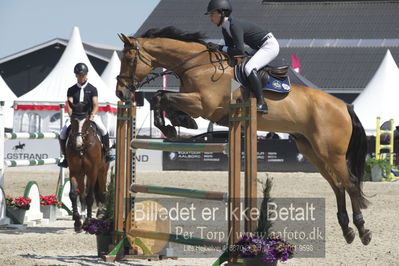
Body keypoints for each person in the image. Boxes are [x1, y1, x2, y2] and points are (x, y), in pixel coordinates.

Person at [205, 0, 280, 113]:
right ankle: (240, 95)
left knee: (249, 68)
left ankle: (261, 103)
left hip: (269, 45)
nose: (210, 17)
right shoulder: (225, 28)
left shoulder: (234, 25)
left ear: (222, 13)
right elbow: (232, 51)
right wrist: (218, 49)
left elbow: (239, 50)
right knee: (237, 67)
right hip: (259, 47)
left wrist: (219, 47)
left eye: (212, 13)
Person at [58, 62, 113, 168]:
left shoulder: (92, 89)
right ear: (76, 75)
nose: (81, 77)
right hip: (75, 118)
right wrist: (71, 116)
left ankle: (107, 153)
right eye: (79, 75)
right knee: (62, 133)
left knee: (103, 130)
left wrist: (92, 115)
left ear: (86, 75)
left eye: (83, 75)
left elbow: (95, 104)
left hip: (89, 116)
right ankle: (65, 157)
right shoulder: (71, 89)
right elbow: (69, 104)